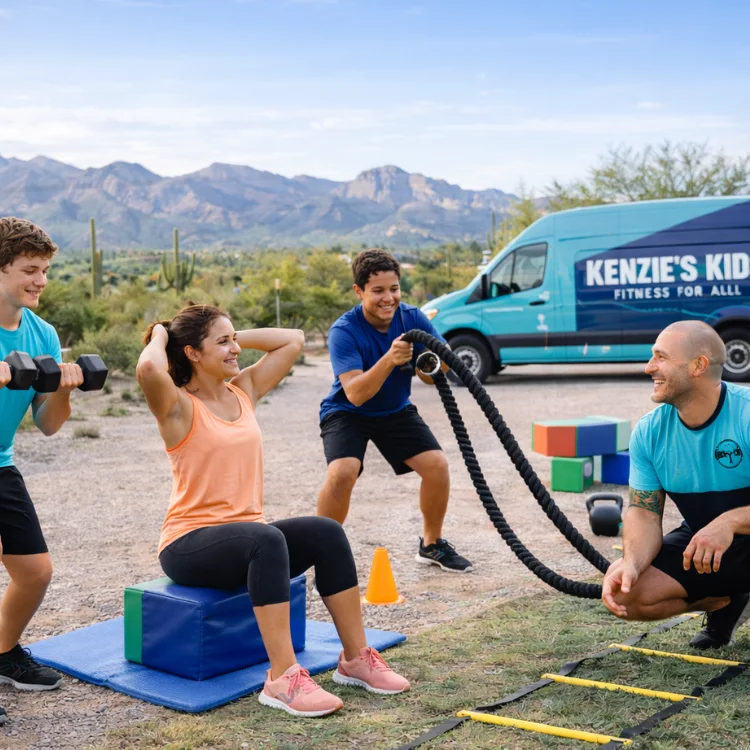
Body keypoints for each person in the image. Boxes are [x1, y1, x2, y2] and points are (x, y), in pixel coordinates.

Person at [136, 304, 410, 718]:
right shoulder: (177, 405)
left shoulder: (242, 391)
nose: (235, 350)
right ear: (192, 353)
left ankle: (355, 659)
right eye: (223, 342)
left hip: (246, 540)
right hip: (188, 544)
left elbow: (292, 341)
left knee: (325, 532)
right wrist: (161, 334)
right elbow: (149, 371)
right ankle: (282, 678)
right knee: (265, 539)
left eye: (235, 340)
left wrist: (227, 339)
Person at [316, 249, 473, 573]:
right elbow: (356, 393)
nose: (388, 298)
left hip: (395, 410)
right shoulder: (343, 331)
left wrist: (428, 361)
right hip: (347, 411)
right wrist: (389, 359)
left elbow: (436, 372)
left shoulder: (413, 317)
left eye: (394, 289)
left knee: (437, 466)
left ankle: (432, 545)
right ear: (359, 291)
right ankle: (321, 553)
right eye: (378, 291)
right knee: (342, 471)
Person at [602, 320, 750, 649]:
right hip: (705, 547)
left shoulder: (746, 414)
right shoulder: (649, 431)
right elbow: (643, 511)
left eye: (661, 357)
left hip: (738, 534)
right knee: (627, 593)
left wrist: (729, 521)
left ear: (698, 366)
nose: (649, 367)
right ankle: (726, 600)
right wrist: (632, 563)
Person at [0, 218, 82, 712]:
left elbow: (48, 424)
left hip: (1, 464)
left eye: (45, 270)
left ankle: (4, 652)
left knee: (34, 572)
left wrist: (65, 393)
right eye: (30, 269)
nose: (41, 281)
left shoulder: (41, 333)